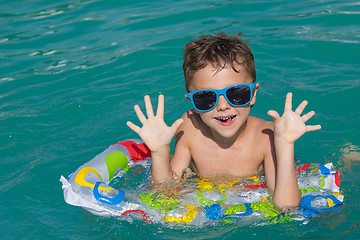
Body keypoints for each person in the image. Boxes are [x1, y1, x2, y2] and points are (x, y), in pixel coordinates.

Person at [126, 32, 321, 210]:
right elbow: (164, 198)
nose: (222, 106)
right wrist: (159, 151)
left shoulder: (267, 136)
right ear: (192, 102)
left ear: (253, 94)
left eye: (236, 93)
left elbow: (286, 207)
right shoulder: (189, 126)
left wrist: (285, 145)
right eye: (206, 97)